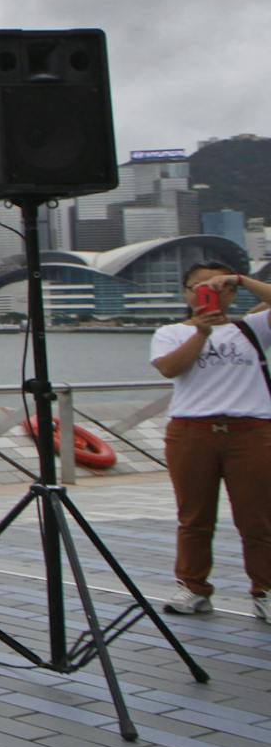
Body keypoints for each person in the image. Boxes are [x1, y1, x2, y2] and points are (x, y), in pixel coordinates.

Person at [151, 263, 271, 622]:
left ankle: (265, 590)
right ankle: (193, 587)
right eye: (196, 287)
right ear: (186, 293)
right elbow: (170, 368)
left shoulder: (252, 327)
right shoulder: (170, 332)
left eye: (216, 287)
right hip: (191, 431)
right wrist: (201, 333)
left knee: (258, 518)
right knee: (194, 517)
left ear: (231, 293)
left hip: (251, 430)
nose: (205, 292)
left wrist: (242, 279)